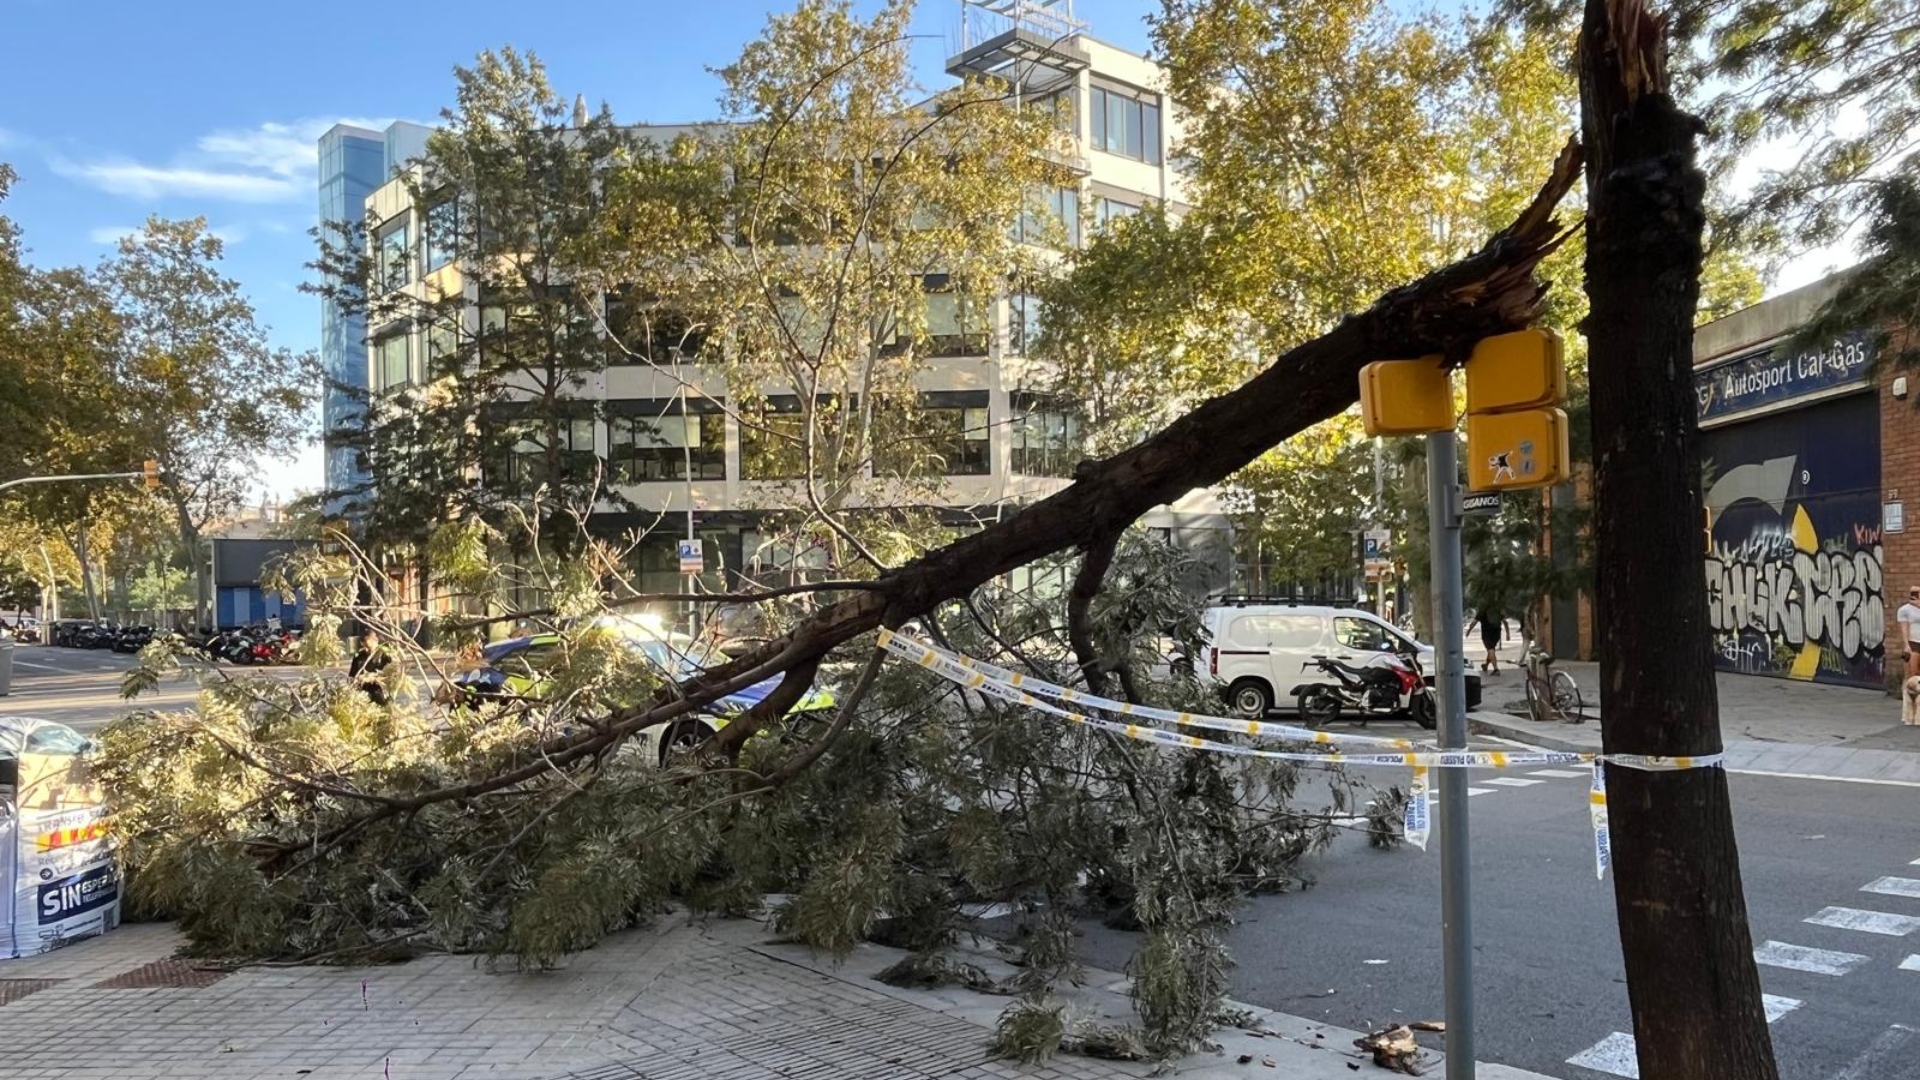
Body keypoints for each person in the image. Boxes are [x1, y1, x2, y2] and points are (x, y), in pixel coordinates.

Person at [349, 629, 391, 706]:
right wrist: (355, 680)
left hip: (380, 694)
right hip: (362, 696)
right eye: (364, 646)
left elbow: (390, 677)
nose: (366, 649)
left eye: (368, 647)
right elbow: (351, 676)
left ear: (376, 641)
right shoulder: (358, 657)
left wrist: (372, 678)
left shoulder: (385, 656)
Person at [1469, 603, 1505, 675]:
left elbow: (1474, 622)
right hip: (1497, 632)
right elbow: (1505, 621)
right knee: (1491, 650)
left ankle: (1496, 669)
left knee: (1491, 650)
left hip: (1487, 633)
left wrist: (1468, 631)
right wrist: (1508, 633)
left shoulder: (1482, 609)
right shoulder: (1497, 608)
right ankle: (1486, 665)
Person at [1899, 587, 1920, 681]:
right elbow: (1904, 628)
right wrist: (1906, 645)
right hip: (1914, 642)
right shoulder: (1905, 610)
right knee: (1913, 673)